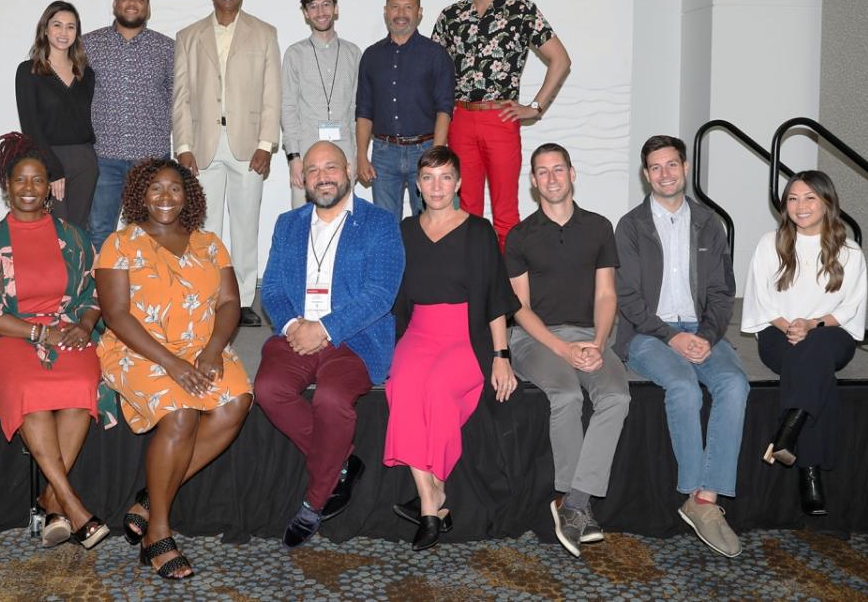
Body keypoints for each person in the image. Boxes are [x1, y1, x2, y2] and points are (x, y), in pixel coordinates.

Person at [0, 133, 118, 550]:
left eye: (38, 180)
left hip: (65, 329)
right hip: (7, 335)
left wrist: (84, 327)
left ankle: (50, 499)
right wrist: (37, 332)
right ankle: (71, 503)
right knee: (29, 389)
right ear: (6, 186)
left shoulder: (73, 237)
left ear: (50, 186)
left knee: (84, 383)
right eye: (20, 180)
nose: (29, 188)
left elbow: (93, 293)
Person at [95, 158, 252, 580]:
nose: (166, 197)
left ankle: (150, 499)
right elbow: (116, 315)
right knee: (181, 414)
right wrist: (172, 363)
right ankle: (158, 533)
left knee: (236, 402)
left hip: (202, 347)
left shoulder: (210, 243)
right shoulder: (120, 243)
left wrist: (215, 350)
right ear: (140, 195)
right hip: (139, 350)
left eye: (175, 189)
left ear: (189, 196)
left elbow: (229, 303)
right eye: (156, 189)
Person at [257, 141, 405, 548]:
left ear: (349, 173)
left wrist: (324, 329)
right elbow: (270, 287)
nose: (323, 176)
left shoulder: (379, 222)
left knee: (330, 399)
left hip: (355, 337)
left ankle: (313, 503)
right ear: (303, 180)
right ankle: (341, 458)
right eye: (314, 170)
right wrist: (291, 325)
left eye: (332, 168)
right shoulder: (288, 224)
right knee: (268, 390)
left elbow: (380, 294)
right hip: (295, 331)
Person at [616, 134, 750, 558]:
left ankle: (705, 500)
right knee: (684, 388)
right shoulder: (631, 226)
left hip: (701, 328)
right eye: (655, 167)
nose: (664, 174)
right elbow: (628, 298)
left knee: (734, 384)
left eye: (671, 165)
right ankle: (695, 487)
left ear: (685, 168)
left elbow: (722, 292)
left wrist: (707, 337)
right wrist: (672, 336)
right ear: (645, 175)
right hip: (648, 333)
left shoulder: (709, 223)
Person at [385, 145, 518, 551]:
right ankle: (433, 499)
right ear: (418, 185)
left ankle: (430, 500)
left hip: (466, 335)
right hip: (419, 334)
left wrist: (501, 356)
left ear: (459, 183)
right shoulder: (406, 230)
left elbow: (496, 297)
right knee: (402, 387)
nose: (437, 186)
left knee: (439, 391)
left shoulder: (478, 230)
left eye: (445, 177)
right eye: (428, 178)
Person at [505, 143, 630, 558]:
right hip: (537, 338)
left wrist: (595, 344)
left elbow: (607, 295)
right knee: (567, 395)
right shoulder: (520, 236)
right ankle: (574, 503)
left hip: (591, 336)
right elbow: (519, 310)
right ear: (533, 181)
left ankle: (573, 501)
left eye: (558, 170)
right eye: (542, 172)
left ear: (572, 174)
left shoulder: (598, 227)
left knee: (615, 395)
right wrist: (563, 349)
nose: (552, 178)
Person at [432, 0, 571, 249]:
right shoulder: (450, 17)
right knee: (465, 210)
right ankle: (467, 288)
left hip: (500, 118)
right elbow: (432, 71)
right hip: (461, 120)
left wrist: (535, 108)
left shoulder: (521, 11)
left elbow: (560, 60)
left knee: (506, 211)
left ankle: (510, 293)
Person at [742, 170, 867, 516]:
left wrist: (812, 324)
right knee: (816, 368)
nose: (800, 206)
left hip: (830, 332)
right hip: (776, 333)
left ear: (827, 202)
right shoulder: (771, 243)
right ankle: (807, 469)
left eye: (810, 197)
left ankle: (787, 432)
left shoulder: (850, 250)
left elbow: (850, 307)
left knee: (818, 350)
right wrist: (789, 326)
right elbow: (760, 300)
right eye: (793, 198)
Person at [173, 0, 281, 327]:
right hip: (202, 145)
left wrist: (266, 145)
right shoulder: (188, 36)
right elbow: (181, 96)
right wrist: (183, 146)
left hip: (248, 145)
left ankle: (245, 299)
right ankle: (208, 295)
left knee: (246, 224)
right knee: (204, 226)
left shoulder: (264, 33)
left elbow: (272, 93)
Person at [82, 0, 175, 254]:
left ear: (147, 8)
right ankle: (98, 295)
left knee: (151, 232)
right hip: (103, 156)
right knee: (99, 229)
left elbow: (177, 99)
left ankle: (149, 293)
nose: (132, 3)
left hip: (150, 159)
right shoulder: (89, 45)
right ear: (115, 4)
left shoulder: (167, 48)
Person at [356, 0, 455, 220]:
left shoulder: (436, 55)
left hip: (425, 150)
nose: (401, 14)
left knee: (431, 224)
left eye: (408, 7)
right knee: (386, 229)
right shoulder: (371, 56)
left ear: (419, 12)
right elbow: (364, 110)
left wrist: (437, 155)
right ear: (386, 11)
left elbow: (444, 108)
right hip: (383, 154)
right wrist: (361, 155)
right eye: (395, 7)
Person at [16, 0, 98, 235]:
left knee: (78, 233)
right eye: (57, 25)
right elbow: (30, 127)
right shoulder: (28, 71)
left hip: (85, 161)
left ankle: (79, 273)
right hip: (49, 158)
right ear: (45, 29)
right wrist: (53, 170)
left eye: (71, 27)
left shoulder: (86, 73)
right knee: (54, 232)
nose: (63, 32)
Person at [281, 0, 361, 208]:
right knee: (303, 222)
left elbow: (357, 108)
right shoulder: (295, 54)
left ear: (336, 9)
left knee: (344, 221)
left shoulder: (353, 53)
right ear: (306, 13)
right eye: (313, 7)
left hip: (344, 153)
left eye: (326, 4)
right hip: (306, 153)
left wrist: (356, 157)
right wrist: (294, 158)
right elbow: (288, 108)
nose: (321, 12)